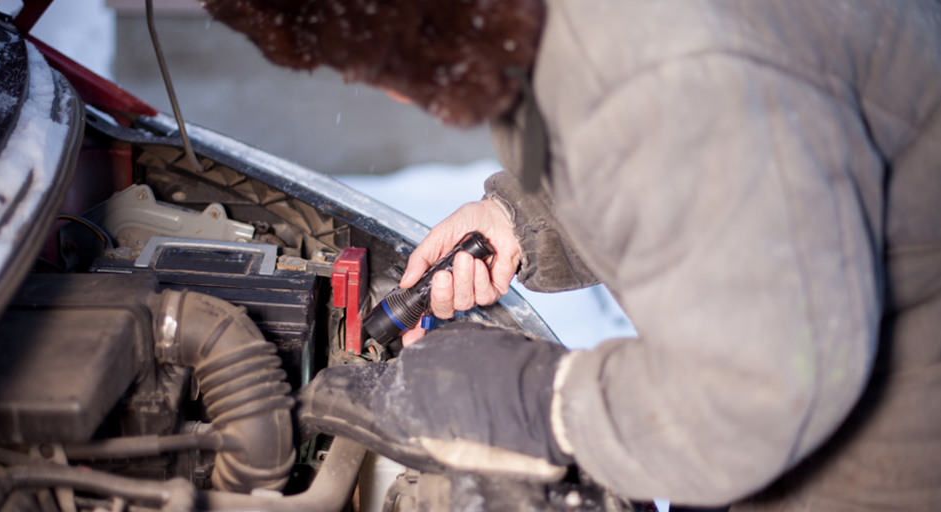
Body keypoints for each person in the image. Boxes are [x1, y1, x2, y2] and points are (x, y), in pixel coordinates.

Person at [203, 0, 941, 510]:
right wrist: (526, 219)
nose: (387, 96)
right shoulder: (568, 31)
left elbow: (760, 396)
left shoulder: (670, 70)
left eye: (371, 66)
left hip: (898, 418)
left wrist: (534, 399)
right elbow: (703, 161)